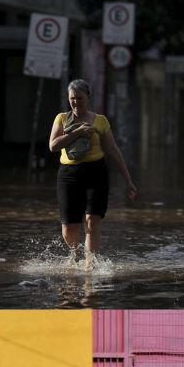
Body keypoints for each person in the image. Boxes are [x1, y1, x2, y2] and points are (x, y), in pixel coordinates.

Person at [48, 79, 137, 266]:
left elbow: (113, 150)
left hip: (96, 172)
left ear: (87, 98)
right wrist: (76, 133)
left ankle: (89, 264)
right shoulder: (62, 119)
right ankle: (75, 256)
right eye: (72, 98)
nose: (75, 102)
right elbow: (53, 146)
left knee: (91, 221)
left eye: (79, 98)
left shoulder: (100, 121)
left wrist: (128, 180)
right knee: (68, 227)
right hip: (68, 174)